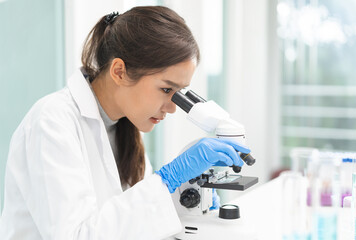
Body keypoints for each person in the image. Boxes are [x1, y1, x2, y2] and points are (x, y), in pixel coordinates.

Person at [0, 6, 250, 240]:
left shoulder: (123, 125)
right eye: (166, 89)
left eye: (180, 92)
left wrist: (184, 192)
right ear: (119, 71)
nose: (173, 107)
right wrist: (167, 179)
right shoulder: (51, 121)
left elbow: (128, 221)